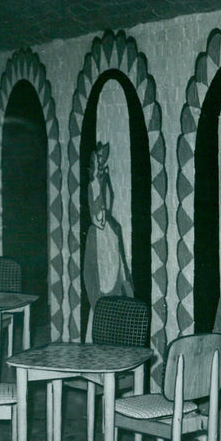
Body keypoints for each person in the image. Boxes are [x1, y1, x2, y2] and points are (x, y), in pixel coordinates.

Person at [83, 141, 133, 336]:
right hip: (99, 241)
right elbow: (98, 216)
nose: (100, 165)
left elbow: (105, 210)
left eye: (101, 161)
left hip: (109, 239)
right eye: (97, 161)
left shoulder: (104, 182)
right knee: (101, 288)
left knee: (117, 284)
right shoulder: (93, 185)